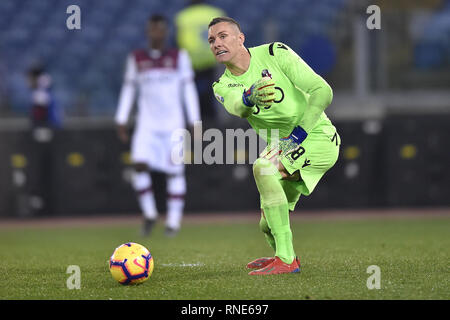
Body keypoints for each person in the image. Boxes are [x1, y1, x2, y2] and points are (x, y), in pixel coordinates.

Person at [208, 17, 340, 275]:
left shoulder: (274, 52)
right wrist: (249, 96)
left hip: (317, 136)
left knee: (263, 167)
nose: (216, 43)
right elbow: (238, 106)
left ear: (240, 38)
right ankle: (284, 256)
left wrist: (299, 134)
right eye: (212, 40)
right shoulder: (221, 84)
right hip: (284, 146)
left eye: (223, 36)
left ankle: (286, 259)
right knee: (266, 225)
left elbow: (322, 90)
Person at [115, 14, 201, 237]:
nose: (155, 33)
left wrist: (195, 120)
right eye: (152, 29)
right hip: (147, 125)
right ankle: (150, 213)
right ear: (147, 32)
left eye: (159, 29)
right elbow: (129, 89)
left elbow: (188, 90)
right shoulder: (137, 58)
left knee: (174, 173)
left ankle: (173, 222)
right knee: (139, 165)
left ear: (166, 32)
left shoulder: (179, 56)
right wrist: (121, 118)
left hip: (174, 125)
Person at [175, 0, 226, 120]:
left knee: (191, 99)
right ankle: (216, 126)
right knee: (215, 99)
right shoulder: (216, 14)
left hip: (191, 62)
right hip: (214, 61)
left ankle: (193, 125)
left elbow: (178, 41)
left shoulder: (182, 17)